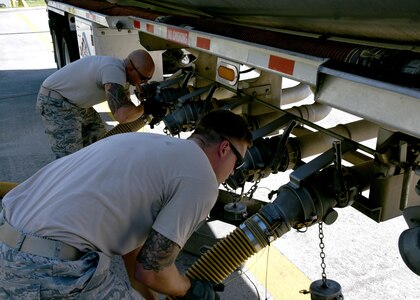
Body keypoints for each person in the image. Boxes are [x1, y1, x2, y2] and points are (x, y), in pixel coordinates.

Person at [0, 109, 253, 299]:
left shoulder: (144, 145)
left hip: (7, 249)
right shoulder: (201, 179)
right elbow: (153, 271)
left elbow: (136, 251)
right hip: (47, 271)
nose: (232, 173)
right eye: (237, 162)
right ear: (224, 149)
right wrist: (190, 291)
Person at [36, 49, 155, 159]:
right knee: (70, 160)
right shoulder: (114, 71)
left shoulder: (123, 74)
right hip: (56, 102)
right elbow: (122, 116)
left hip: (77, 104)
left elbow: (127, 108)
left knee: (100, 144)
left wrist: (142, 103)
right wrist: (145, 108)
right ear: (130, 69)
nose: (144, 82)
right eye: (143, 78)